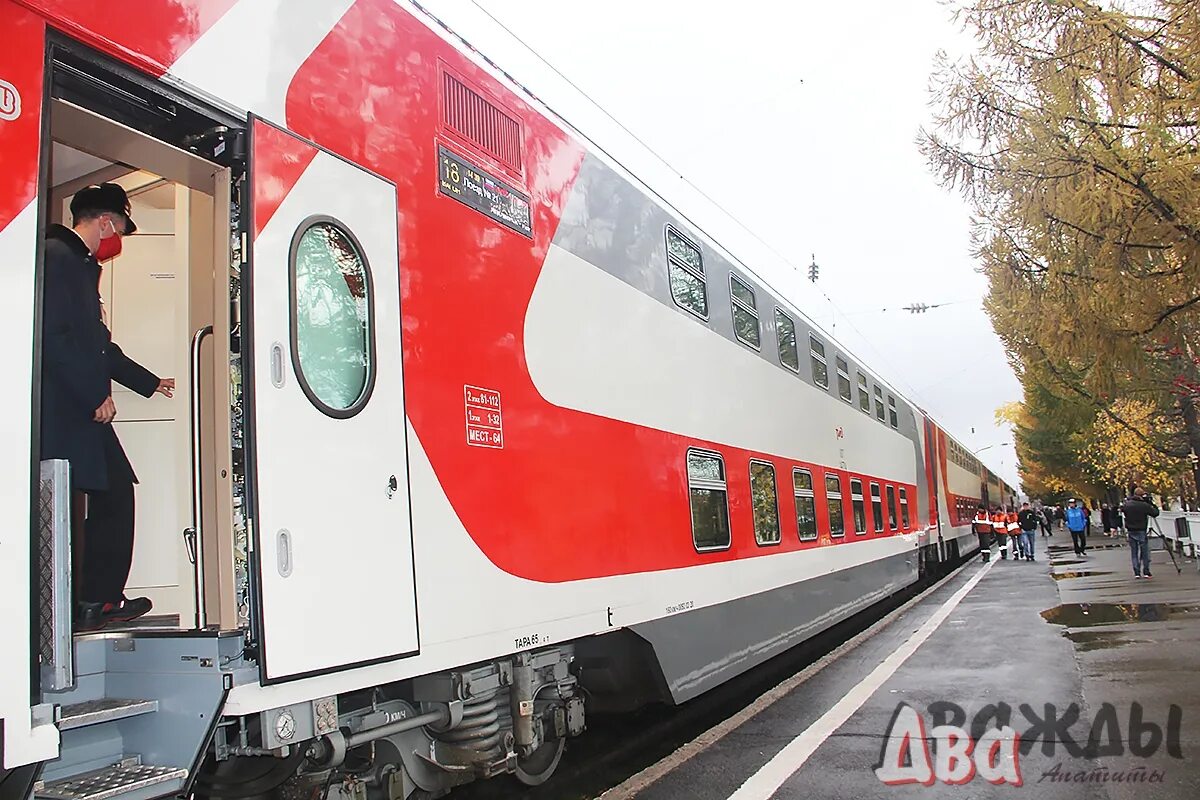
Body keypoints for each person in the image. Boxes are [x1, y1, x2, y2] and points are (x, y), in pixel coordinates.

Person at [41, 183, 174, 632]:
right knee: (105, 495)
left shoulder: (79, 265)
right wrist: (93, 394)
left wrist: (149, 382)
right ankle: (94, 601)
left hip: (78, 407)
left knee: (110, 493)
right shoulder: (60, 259)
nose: (118, 236)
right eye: (118, 226)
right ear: (104, 221)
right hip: (65, 409)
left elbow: (100, 346)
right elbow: (52, 340)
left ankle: (93, 600)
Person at [1121, 487, 1160, 579]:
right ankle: (1146, 571)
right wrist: (1151, 504)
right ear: (1142, 495)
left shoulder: (1127, 505)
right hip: (1141, 530)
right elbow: (1155, 513)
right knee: (1144, 552)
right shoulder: (1143, 505)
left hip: (1131, 530)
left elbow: (1123, 510)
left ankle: (1136, 572)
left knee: (1134, 552)